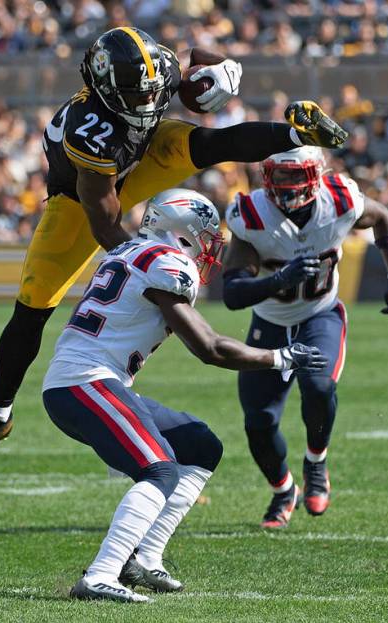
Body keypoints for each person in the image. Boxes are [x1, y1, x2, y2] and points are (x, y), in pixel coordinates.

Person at [0, 27, 348, 464]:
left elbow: (198, 56)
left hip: (140, 154)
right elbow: (105, 223)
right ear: (107, 90)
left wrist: (227, 71)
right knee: (33, 302)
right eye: (137, 97)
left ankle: (295, 135)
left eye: (152, 92)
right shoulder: (90, 133)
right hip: (84, 200)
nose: (150, 103)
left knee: (207, 144)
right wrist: (149, 265)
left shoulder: (154, 71)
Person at [43, 190, 327, 601]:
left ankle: (145, 558)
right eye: (208, 237)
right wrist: (279, 357)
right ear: (185, 234)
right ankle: (102, 573)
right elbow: (209, 348)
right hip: (86, 382)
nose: (211, 248)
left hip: (90, 381)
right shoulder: (166, 263)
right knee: (159, 471)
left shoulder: (127, 252)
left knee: (199, 445)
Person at [221, 146, 388, 528]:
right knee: (259, 421)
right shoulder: (252, 213)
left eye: (295, 175)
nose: (286, 186)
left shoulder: (339, 200)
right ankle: (283, 490)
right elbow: (232, 294)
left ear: (315, 174)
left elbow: (384, 218)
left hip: (320, 314)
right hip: (269, 322)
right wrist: (277, 280)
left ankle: (316, 463)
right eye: (279, 175)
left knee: (319, 385)